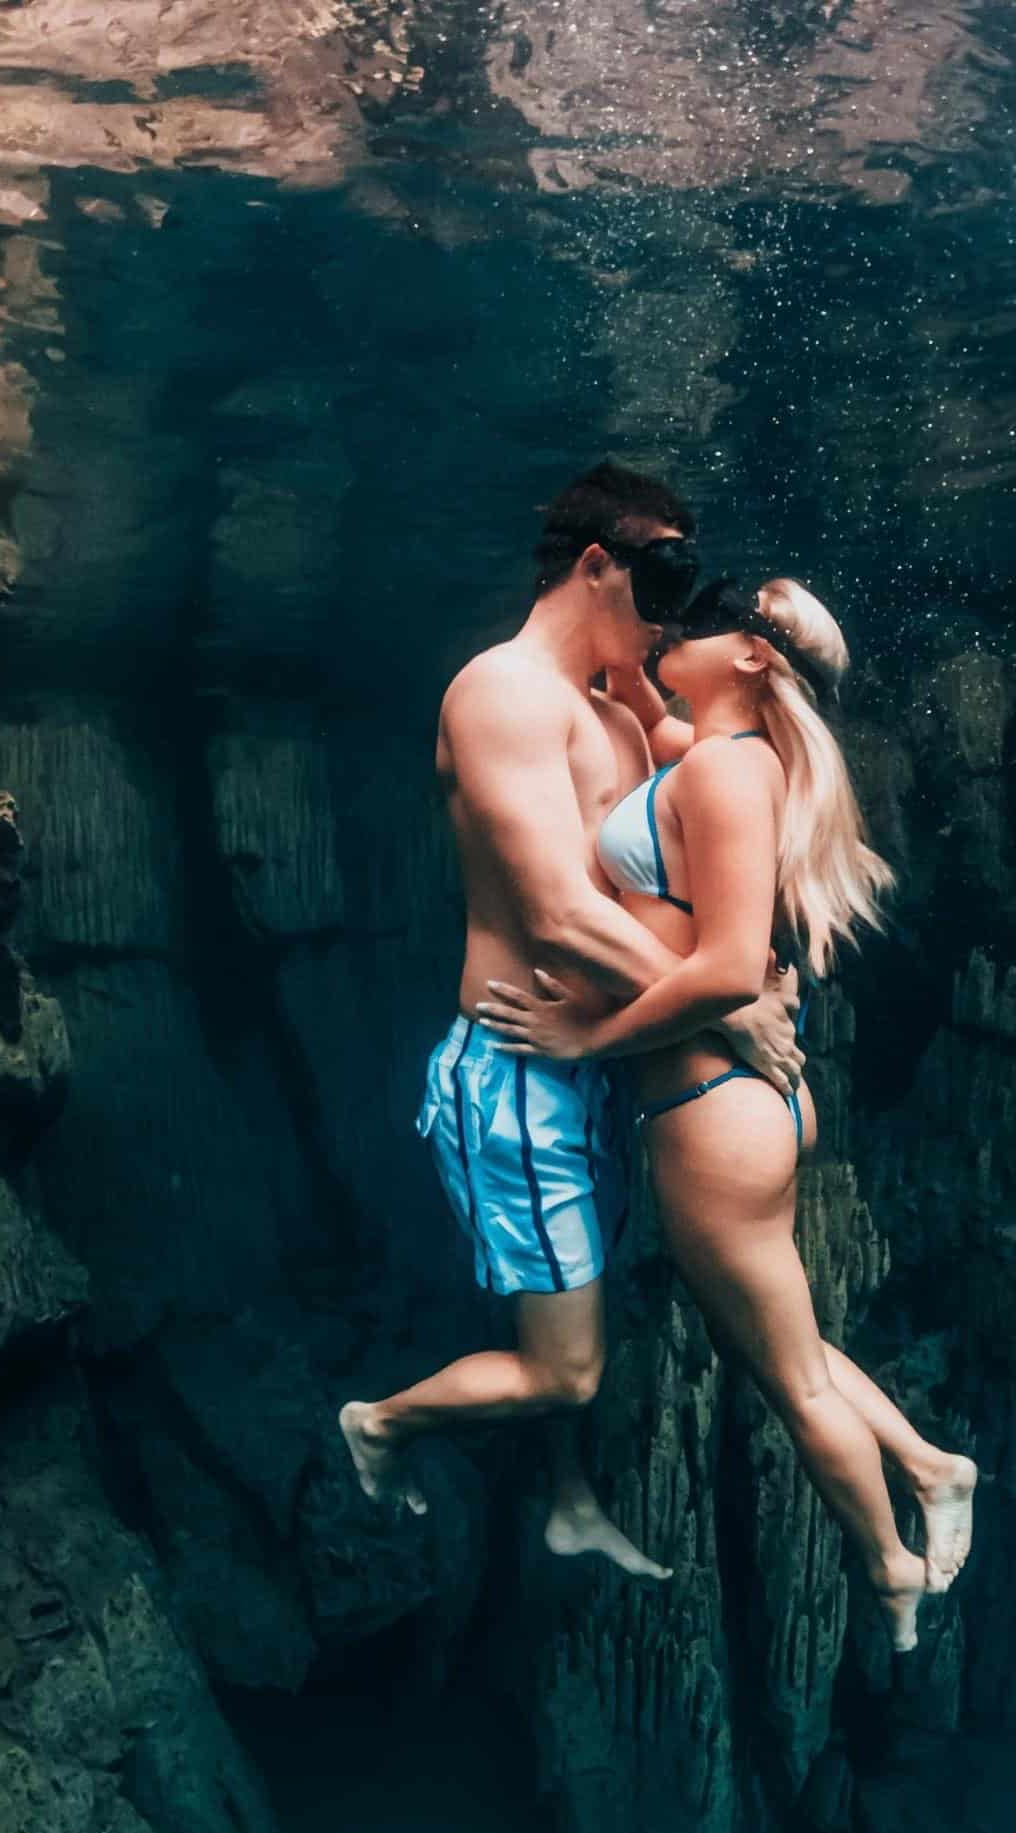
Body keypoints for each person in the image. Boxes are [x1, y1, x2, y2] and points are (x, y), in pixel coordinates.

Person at [475, 575, 977, 1649]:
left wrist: (588, 1038)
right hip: (736, 1107)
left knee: (789, 1375)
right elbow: (641, 694)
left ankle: (889, 1562)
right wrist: (613, 631)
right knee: (782, 1337)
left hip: (710, 1108)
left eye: (698, 617)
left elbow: (726, 972)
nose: (672, 627)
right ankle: (932, 1466)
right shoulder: (713, 755)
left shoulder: (724, 775)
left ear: (751, 657)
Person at [339, 464, 804, 1579]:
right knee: (569, 1369)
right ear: (596, 563)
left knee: (584, 1305)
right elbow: (556, 911)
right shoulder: (500, 693)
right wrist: (729, 1007)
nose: (673, 604)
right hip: (517, 1066)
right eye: (660, 573)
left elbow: (733, 786)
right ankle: (381, 1423)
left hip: (595, 1061)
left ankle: (568, 1493)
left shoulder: (614, 712)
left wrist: (658, 685)